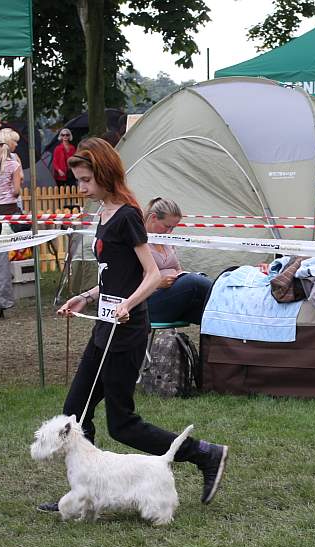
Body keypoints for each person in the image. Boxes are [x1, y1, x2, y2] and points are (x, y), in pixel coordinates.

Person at [38, 137, 228, 511]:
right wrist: (88, 296)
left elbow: (153, 274)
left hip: (126, 330)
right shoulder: (103, 214)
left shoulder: (126, 214)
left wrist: (127, 304)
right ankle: (85, 492)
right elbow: (116, 273)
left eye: (86, 180)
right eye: (78, 179)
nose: (81, 188)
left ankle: (204, 454)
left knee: (121, 423)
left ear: (105, 175)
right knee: (74, 413)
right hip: (105, 324)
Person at [143, 198, 214, 325]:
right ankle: (227, 293)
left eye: (173, 228)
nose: (170, 232)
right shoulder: (138, 242)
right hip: (147, 303)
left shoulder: (167, 241)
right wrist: (156, 283)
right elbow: (126, 281)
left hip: (172, 299)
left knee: (213, 313)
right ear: (153, 217)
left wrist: (179, 276)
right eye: (167, 226)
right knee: (193, 281)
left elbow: (178, 269)